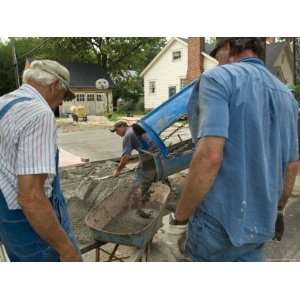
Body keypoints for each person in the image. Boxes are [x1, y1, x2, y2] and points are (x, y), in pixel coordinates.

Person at [172, 38, 299, 261]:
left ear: (230, 48)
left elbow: (209, 157)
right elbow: (292, 165)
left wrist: (180, 217)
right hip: (261, 221)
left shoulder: (219, 79)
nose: (216, 61)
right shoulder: (287, 96)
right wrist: (278, 208)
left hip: (217, 223)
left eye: (217, 54)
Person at [0, 60, 81, 262]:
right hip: (34, 228)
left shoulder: (3, 103)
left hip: (8, 220)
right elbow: (31, 197)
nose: (62, 103)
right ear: (55, 85)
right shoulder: (39, 113)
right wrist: (66, 250)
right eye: (63, 95)